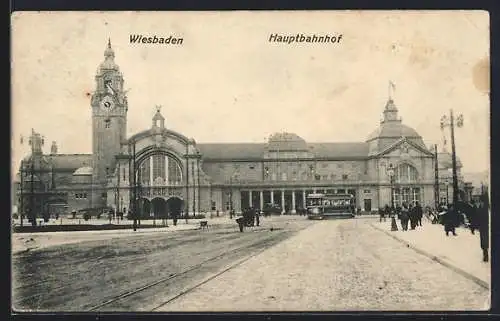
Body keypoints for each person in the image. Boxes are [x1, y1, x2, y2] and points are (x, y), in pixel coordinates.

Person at [477, 195, 489, 262]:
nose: (480, 203)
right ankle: (484, 254)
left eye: (481, 201)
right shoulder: (480, 208)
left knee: (485, 242)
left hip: (485, 227)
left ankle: (486, 256)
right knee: (483, 242)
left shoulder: (486, 209)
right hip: (482, 227)